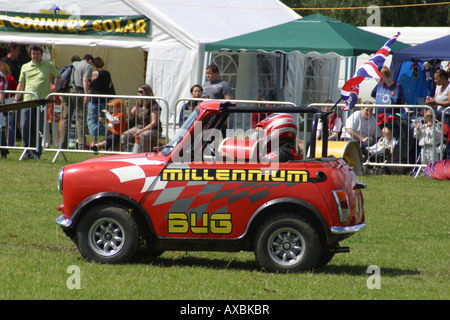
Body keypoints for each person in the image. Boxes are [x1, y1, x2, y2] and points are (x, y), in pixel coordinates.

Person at [14, 45, 61, 159]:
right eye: (33, 54)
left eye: (38, 53)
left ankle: (36, 153)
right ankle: (26, 151)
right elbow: (21, 84)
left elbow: (58, 76)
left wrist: (54, 91)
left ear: (41, 54)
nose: (35, 56)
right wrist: (16, 99)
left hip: (40, 102)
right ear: (31, 55)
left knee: (38, 128)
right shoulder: (25, 67)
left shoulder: (48, 65)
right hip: (27, 101)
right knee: (25, 126)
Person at [59, 54, 94, 150]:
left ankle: (62, 145)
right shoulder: (88, 66)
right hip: (78, 91)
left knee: (66, 118)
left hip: (68, 92)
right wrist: (86, 94)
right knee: (80, 118)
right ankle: (81, 145)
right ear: (90, 61)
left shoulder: (73, 64)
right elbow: (85, 79)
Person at [121, 84, 162, 152]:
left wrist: (140, 131)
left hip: (153, 129)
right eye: (138, 91)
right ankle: (129, 152)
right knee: (125, 135)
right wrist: (128, 106)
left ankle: (144, 155)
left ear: (147, 92)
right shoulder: (138, 104)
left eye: (140, 92)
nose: (138, 93)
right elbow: (130, 116)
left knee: (142, 136)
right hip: (138, 127)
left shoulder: (154, 105)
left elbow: (154, 123)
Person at [87, 57, 114, 144]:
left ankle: (94, 139)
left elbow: (89, 83)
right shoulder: (107, 73)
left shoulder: (95, 73)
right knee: (103, 118)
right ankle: (102, 138)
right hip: (104, 98)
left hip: (95, 99)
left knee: (92, 119)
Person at [2, 44, 22, 148]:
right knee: (9, 122)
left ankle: (10, 143)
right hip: (8, 97)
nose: (19, 53)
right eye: (18, 50)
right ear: (12, 50)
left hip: (12, 96)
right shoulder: (4, 62)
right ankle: (8, 144)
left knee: (12, 121)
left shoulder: (17, 63)